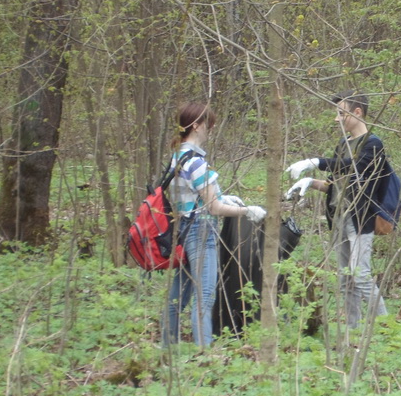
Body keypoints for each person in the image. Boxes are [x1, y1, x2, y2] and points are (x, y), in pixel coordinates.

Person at [162, 102, 267, 347]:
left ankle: (167, 349)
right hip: (200, 231)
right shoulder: (196, 163)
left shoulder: (177, 157)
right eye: (208, 124)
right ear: (196, 126)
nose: (210, 129)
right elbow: (214, 208)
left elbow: (194, 198)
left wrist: (222, 197)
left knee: (178, 296)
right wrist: (247, 211)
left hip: (183, 229)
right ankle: (204, 354)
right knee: (205, 295)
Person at [284, 91, 388, 330]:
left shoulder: (373, 144)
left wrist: (316, 162)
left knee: (360, 274)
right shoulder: (343, 144)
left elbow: (352, 168)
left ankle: (386, 327)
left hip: (361, 219)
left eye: (341, 113)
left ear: (357, 112)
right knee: (345, 279)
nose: (337, 119)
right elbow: (334, 183)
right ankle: (352, 330)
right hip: (338, 217)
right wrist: (310, 183)